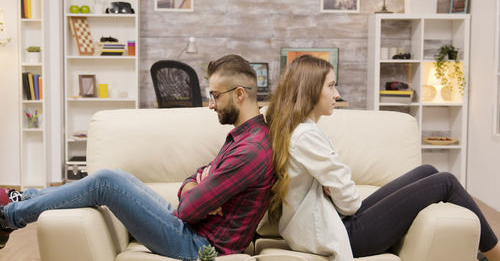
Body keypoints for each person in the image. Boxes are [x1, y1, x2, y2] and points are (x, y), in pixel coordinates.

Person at [0, 54, 275, 260]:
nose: (210, 104)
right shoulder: (243, 137)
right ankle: (23, 199)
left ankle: (7, 217)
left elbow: (189, 208)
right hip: (193, 228)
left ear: (239, 94)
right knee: (118, 176)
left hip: (200, 246)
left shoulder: (251, 150)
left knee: (107, 182)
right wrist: (195, 185)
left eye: (215, 96)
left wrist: (197, 188)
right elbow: (197, 176)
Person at [265, 54, 500, 261]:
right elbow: (351, 203)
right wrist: (337, 190)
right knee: (445, 181)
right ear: (311, 90)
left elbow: (343, 196)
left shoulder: (301, 129)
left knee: (427, 171)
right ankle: (496, 253)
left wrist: (334, 188)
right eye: (331, 86)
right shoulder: (306, 136)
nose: (337, 94)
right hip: (345, 235)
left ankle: (486, 253)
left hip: (336, 221)